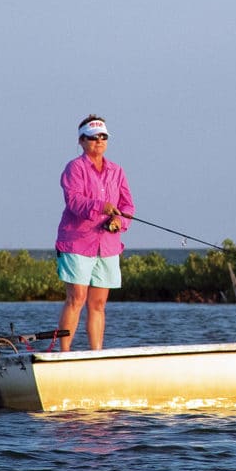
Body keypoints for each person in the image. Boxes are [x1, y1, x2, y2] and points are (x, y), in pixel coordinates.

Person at [55, 114, 134, 351]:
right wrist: (101, 206)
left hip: (108, 245)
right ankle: (64, 353)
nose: (98, 141)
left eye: (103, 137)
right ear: (81, 141)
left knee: (98, 303)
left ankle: (96, 353)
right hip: (77, 242)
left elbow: (128, 206)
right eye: (92, 137)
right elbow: (74, 201)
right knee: (76, 298)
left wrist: (119, 221)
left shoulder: (117, 171)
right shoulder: (74, 168)